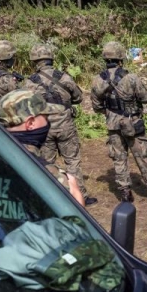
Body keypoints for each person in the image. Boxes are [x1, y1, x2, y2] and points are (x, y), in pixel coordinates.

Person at [90, 41, 147, 204]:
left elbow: (96, 106)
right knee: (143, 156)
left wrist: (110, 113)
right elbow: (146, 97)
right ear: (120, 59)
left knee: (119, 159)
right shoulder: (130, 78)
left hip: (112, 124)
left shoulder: (97, 80)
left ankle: (125, 194)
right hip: (133, 122)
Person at [24, 43, 96, 206]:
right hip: (65, 125)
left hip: (44, 127)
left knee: (47, 162)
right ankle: (81, 196)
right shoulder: (63, 77)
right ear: (50, 59)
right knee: (72, 161)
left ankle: (49, 197)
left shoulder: (30, 82)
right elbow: (77, 97)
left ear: (35, 61)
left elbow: (26, 104)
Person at [0, 89, 84, 205]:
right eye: (46, 118)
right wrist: (73, 189)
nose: (48, 123)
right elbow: (76, 221)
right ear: (30, 123)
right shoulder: (49, 176)